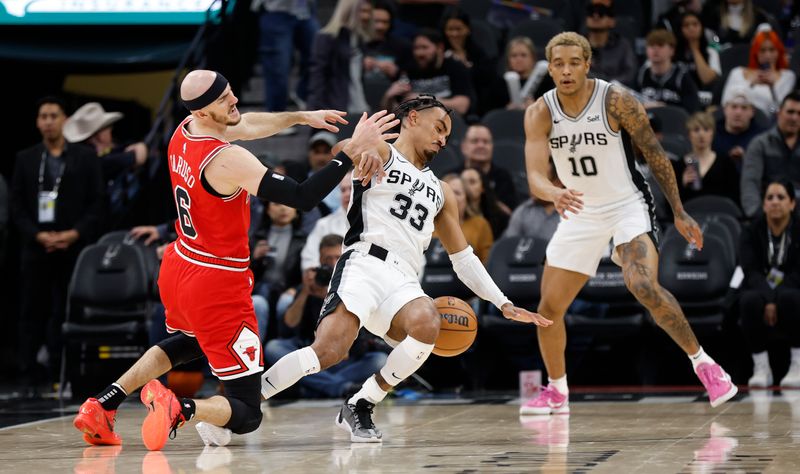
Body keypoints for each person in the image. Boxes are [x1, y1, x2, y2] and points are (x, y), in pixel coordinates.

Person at [72, 69, 392, 450]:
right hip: (216, 282)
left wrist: (299, 117)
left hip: (181, 265)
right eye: (224, 100)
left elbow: (246, 124)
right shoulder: (226, 159)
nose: (234, 101)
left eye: (231, 92)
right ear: (203, 112)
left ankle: (102, 404)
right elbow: (303, 196)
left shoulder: (185, 130)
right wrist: (351, 152)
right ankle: (182, 407)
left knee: (188, 342)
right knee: (246, 410)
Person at [260, 94, 551, 442]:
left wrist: (502, 302)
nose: (444, 139)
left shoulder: (442, 190)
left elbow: (464, 258)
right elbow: (341, 148)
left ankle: (362, 402)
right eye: (439, 127)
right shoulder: (381, 152)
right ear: (412, 118)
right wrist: (360, 148)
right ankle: (247, 400)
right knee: (328, 351)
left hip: (404, 279)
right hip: (364, 263)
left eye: (448, 134)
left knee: (429, 321)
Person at [522, 32, 737, 415]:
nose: (567, 70)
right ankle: (557, 390)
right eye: (559, 63)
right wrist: (552, 194)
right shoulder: (540, 111)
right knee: (548, 310)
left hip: (626, 204)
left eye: (575, 62)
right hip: (578, 209)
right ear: (550, 66)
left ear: (588, 64)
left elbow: (655, 156)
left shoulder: (616, 100)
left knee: (641, 284)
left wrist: (679, 210)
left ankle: (705, 364)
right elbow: (535, 175)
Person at [11, 96, 105, 396]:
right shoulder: (26, 158)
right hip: (37, 247)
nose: (49, 121)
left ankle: (67, 375)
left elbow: (97, 202)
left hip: (73, 246)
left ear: (65, 119)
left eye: (54, 115)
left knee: (69, 311)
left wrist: (74, 233)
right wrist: (38, 235)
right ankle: (27, 376)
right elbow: (17, 207)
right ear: (38, 122)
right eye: (43, 116)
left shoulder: (85, 157)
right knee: (31, 311)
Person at [267, 234, 388, 398]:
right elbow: (290, 323)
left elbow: (360, 339)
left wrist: (334, 298)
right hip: (311, 356)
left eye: (337, 257)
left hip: (345, 359)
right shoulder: (313, 282)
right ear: (319, 259)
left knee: (379, 360)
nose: (332, 264)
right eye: (327, 259)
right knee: (274, 348)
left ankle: (314, 387)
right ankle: (337, 387)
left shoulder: (356, 283)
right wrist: (305, 291)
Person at [739, 179, 800, 388]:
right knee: (748, 300)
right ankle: (761, 367)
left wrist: (774, 298)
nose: (775, 202)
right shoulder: (751, 230)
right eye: (769, 198)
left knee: (790, 297)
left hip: (793, 288)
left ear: (792, 203)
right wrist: (769, 297)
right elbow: (749, 270)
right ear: (763, 204)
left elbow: (798, 272)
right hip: (760, 287)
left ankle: (797, 364)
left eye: (781, 197)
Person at [62, 102, 149, 227]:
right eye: (108, 127)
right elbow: (137, 156)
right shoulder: (93, 162)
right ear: (99, 135)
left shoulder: (91, 157)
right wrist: (139, 147)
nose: (111, 130)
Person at [381, 29, 474, 116]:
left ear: (440, 48)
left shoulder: (455, 67)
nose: (419, 53)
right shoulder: (407, 69)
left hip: (447, 121)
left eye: (425, 47)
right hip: (415, 124)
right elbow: (393, 113)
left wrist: (427, 100)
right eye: (416, 48)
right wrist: (388, 97)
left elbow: (462, 107)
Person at [740, 92, 800, 218]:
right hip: (767, 216)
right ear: (779, 113)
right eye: (790, 112)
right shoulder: (760, 144)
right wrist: (756, 214)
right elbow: (750, 183)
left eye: (799, 114)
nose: (794, 118)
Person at [307, 0, 371, 113]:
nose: (367, 16)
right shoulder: (326, 38)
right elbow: (318, 77)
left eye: (369, 11)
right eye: (362, 11)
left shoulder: (359, 39)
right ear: (349, 11)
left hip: (359, 106)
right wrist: (318, 110)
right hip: (336, 107)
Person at [721, 24, 796, 117]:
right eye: (763, 50)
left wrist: (772, 88)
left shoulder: (787, 76)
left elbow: (783, 111)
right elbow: (725, 102)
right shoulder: (737, 73)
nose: (768, 55)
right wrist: (750, 85)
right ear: (755, 52)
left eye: (772, 50)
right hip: (739, 119)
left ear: (779, 51)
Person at [672, 111, 740, 204]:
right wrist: (682, 183)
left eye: (706, 129)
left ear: (712, 133)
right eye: (696, 130)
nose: (701, 134)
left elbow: (734, 196)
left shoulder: (725, 162)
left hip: (719, 213)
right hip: (691, 213)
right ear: (689, 135)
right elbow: (671, 203)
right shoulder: (678, 166)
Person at [636, 29, 701, 113]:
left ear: (672, 50)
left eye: (660, 45)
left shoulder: (681, 76)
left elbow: (693, 110)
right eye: (651, 45)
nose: (655, 49)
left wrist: (665, 108)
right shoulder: (642, 74)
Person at [584, 0, 637, 87]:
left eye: (602, 13)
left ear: (612, 21)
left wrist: (610, 84)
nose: (595, 16)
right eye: (591, 12)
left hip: (616, 94)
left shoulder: (623, 46)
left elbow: (630, 74)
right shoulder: (577, 45)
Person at [712, 87, 765, 173]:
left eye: (744, 108)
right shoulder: (712, 134)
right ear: (725, 109)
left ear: (752, 112)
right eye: (734, 107)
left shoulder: (760, 138)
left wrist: (746, 159)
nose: (738, 112)